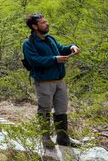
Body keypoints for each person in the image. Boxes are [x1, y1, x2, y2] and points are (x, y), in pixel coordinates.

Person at [22, 13, 81, 149]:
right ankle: (46, 139)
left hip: (59, 80)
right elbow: (34, 61)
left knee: (61, 109)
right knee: (44, 110)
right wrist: (55, 59)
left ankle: (63, 138)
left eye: (46, 21)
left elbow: (62, 49)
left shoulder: (50, 39)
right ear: (34, 26)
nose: (47, 24)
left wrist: (72, 46)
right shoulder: (28, 43)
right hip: (43, 82)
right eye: (43, 22)